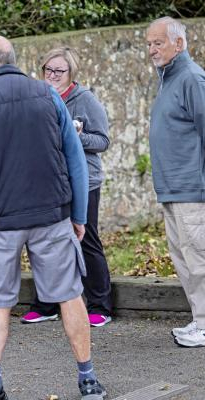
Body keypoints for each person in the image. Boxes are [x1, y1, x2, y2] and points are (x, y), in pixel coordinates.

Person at [0, 35, 105, 400]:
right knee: (70, 296)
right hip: (51, 215)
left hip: (0, 222)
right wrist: (78, 214)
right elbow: (75, 159)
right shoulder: (48, 95)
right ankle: (88, 379)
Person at [21, 46, 113, 328]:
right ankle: (46, 304)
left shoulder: (84, 100)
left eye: (59, 71)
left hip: (84, 181)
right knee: (45, 242)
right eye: (48, 70)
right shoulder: (37, 98)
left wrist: (76, 137)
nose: (52, 76)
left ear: (71, 72)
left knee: (87, 240)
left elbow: (103, 141)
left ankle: (100, 305)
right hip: (49, 182)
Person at [146, 17, 205, 348]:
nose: (152, 49)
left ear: (178, 44)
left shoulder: (192, 79)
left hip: (192, 189)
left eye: (158, 43)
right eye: (149, 44)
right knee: (185, 259)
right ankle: (200, 319)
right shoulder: (169, 78)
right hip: (172, 189)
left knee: (199, 259)